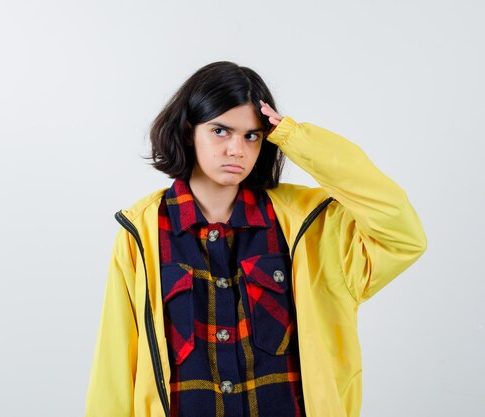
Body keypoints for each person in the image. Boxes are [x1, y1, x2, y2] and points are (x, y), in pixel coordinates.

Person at [84, 61, 426, 417]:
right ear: (189, 132)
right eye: (221, 131)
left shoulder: (313, 227)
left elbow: (401, 232)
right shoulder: (143, 232)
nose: (237, 149)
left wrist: (298, 139)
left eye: (252, 135)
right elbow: (115, 366)